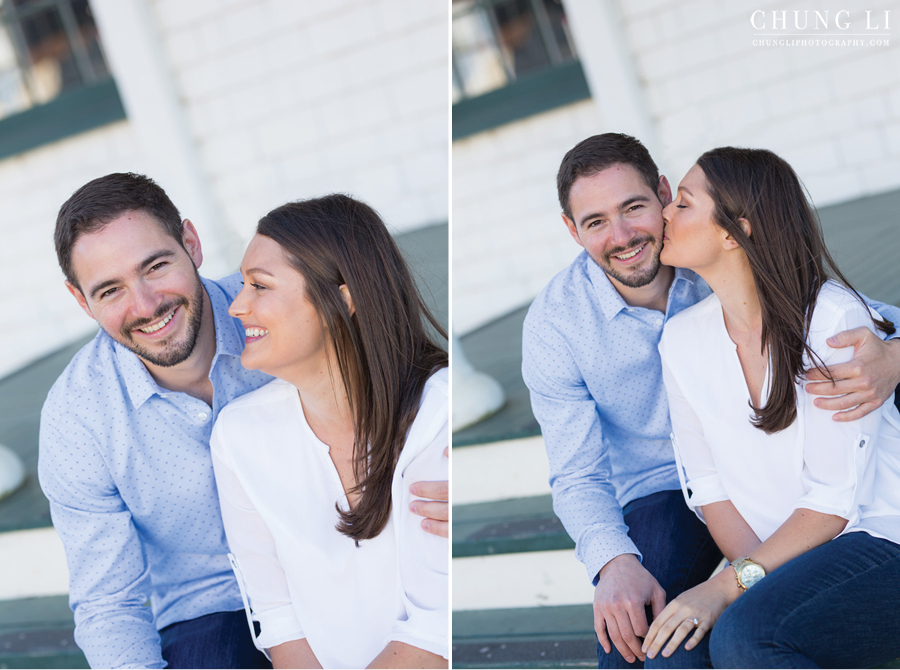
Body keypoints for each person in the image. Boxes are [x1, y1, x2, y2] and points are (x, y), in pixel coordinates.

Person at [38, 174, 449, 669]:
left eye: (156, 266)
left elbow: (390, 362)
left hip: (347, 563)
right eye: (109, 290)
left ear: (191, 243)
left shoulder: (281, 309)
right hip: (209, 606)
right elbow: (107, 603)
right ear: (81, 300)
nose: (145, 305)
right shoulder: (77, 418)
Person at [520, 134, 900, 668]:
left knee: (745, 634)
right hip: (662, 489)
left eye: (635, 207)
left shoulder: (736, 272)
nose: (622, 236)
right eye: (596, 221)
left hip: (821, 502)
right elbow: (578, 473)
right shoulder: (559, 324)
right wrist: (613, 562)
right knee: (641, 649)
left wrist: (895, 356)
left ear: (662, 195)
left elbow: (868, 321)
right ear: (571, 229)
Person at [642, 147, 900, 668]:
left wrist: (730, 586)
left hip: (875, 538)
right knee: (672, 654)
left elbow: (835, 499)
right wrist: (748, 574)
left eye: (683, 204)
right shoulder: (681, 341)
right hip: (775, 555)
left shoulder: (831, 322)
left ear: (734, 231)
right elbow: (708, 486)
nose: (663, 212)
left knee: (747, 634)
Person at [210, 195, 448, 668]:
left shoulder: (437, 412)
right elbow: (278, 616)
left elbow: (437, 627)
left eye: (259, 285)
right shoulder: (238, 437)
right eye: (242, 285)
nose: (237, 306)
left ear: (342, 299)